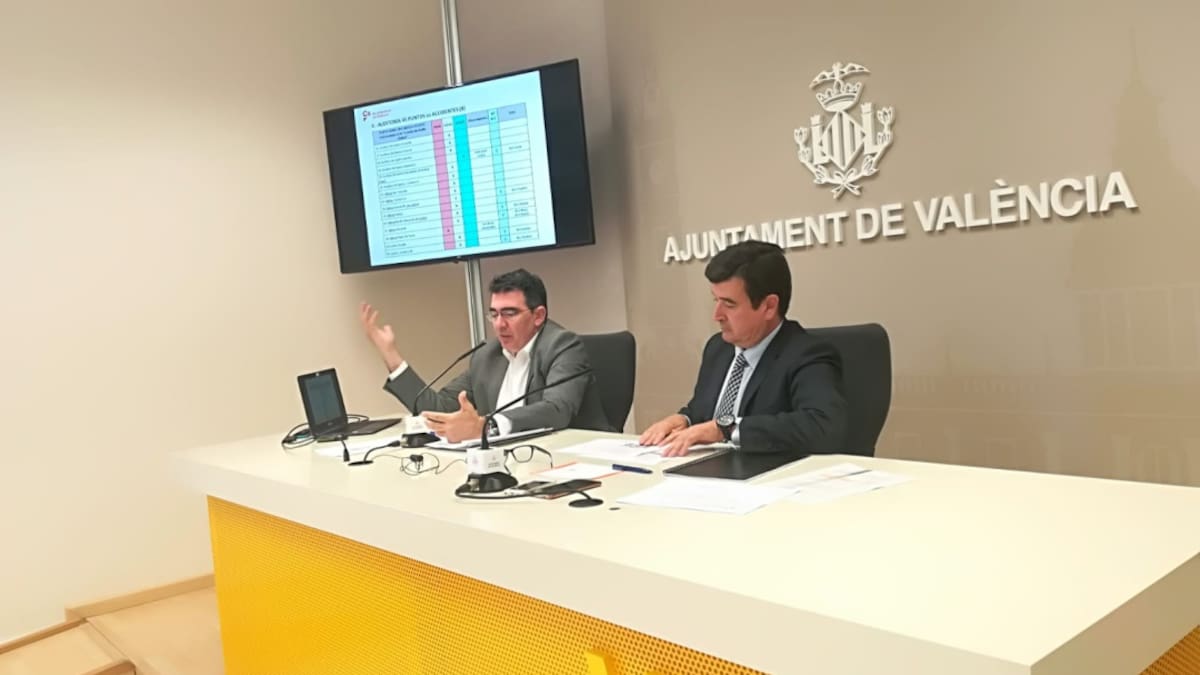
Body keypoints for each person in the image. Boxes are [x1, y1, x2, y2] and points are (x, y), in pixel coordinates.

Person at [640, 240, 847, 456]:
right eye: (715, 300)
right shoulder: (718, 348)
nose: (717, 315)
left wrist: (727, 429)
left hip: (765, 473)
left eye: (729, 304)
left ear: (769, 306)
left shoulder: (807, 354)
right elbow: (705, 413)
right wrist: (684, 419)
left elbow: (823, 427)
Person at [360, 268, 612, 442]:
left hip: (570, 461)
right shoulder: (486, 355)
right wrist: (391, 356)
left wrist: (486, 426)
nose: (499, 324)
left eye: (510, 313)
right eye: (494, 314)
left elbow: (556, 410)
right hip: (509, 462)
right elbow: (438, 410)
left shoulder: (563, 346)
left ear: (538, 316)